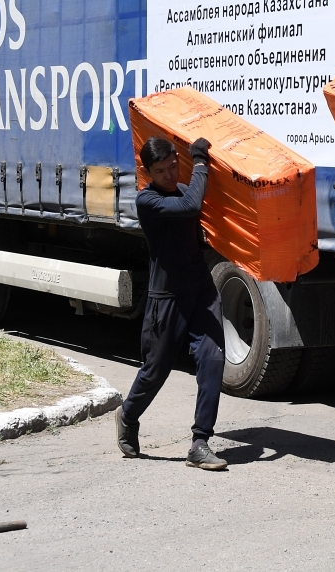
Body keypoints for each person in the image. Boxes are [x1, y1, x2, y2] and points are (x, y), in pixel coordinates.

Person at [115, 136, 229, 471]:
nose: (169, 174)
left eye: (172, 166)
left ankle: (200, 443)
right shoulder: (147, 201)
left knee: (211, 361)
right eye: (160, 170)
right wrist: (200, 162)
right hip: (166, 299)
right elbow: (193, 206)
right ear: (146, 171)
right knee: (155, 370)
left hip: (202, 292)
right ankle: (128, 414)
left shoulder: (183, 190)